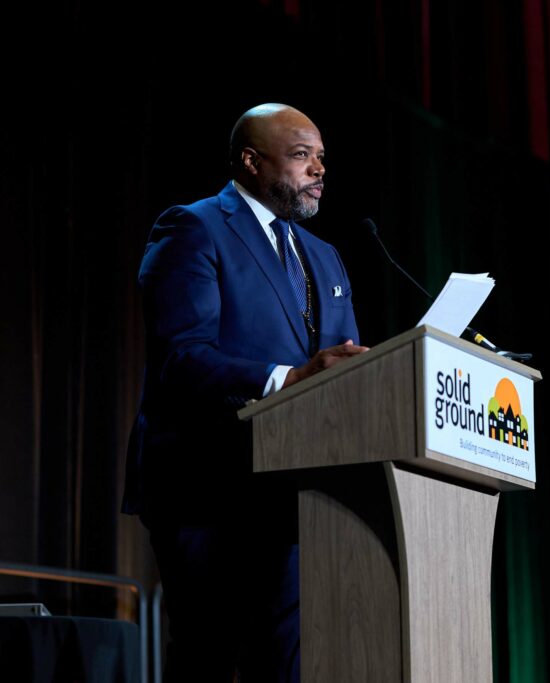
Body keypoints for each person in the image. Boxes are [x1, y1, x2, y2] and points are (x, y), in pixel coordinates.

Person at [122, 103, 367, 682]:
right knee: (210, 656)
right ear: (251, 161)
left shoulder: (325, 257)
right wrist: (289, 378)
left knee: (282, 666)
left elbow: (343, 365)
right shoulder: (193, 227)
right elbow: (183, 358)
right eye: (302, 155)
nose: (319, 170)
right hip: (206, 489)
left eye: (322, 158)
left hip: (294, 494)